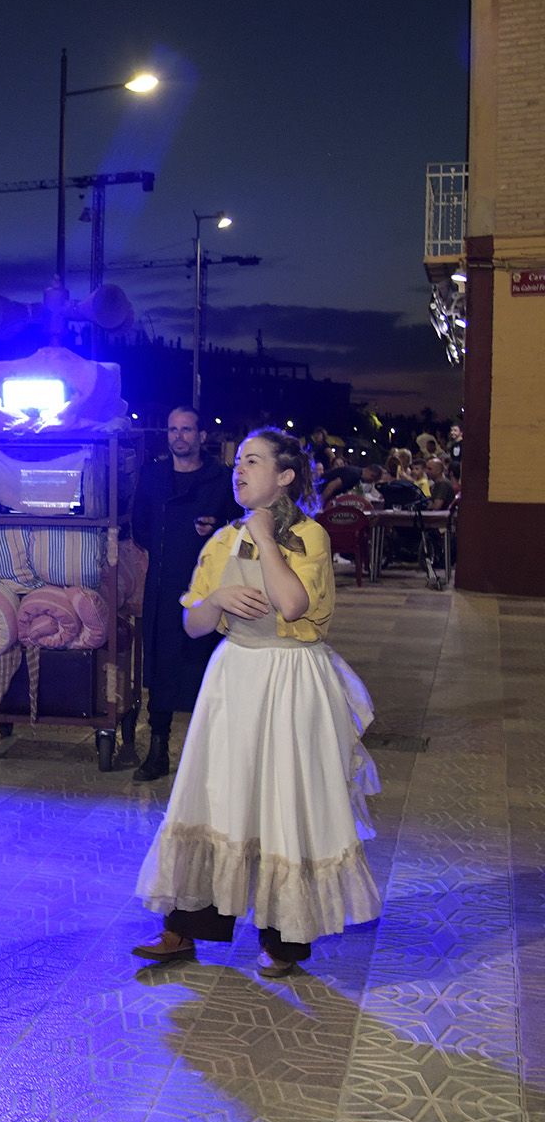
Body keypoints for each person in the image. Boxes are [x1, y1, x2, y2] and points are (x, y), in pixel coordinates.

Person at [133, 428, 381, 977]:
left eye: (253, 461)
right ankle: (185, 925)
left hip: (291, 677)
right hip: (235, 675)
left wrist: (266, 538)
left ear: (285, 475)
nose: (239, 471)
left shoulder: (311, 536)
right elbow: (193, 624)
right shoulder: (223, 539)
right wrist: (218, 598)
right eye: (238, 462)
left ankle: (283, 937)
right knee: (215, 794)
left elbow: (292, 605)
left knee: (284, 800)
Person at [129, 406, 241, 783]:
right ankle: (158, 749)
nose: (179, 436)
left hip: (207, 588)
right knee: (161, 668)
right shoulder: (153, 475)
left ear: (202, 435)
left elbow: (239, 527)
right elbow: (140, 525)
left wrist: (216, 528)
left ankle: (208, 756)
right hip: (162, 586)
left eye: (187, 430)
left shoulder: (220, 479)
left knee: (204, 667)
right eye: (173, 429)